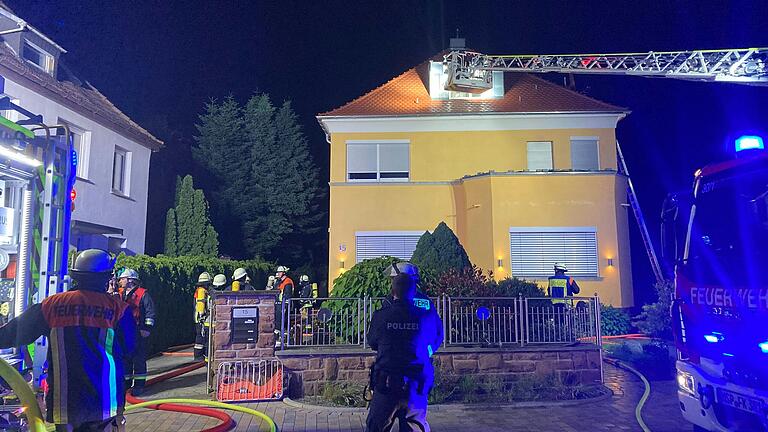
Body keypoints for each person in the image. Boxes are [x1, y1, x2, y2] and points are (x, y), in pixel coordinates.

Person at [0, 249, 137, 431]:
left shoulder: (51, 305)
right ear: (106, 277)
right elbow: (130, 348)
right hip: (104, 402)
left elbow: (13, 333)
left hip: (65, 403)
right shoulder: (119, 309)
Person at [366, 262, 443, 432]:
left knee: (376, 426)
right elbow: (437, 335)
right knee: (415, 426)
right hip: (416, 382)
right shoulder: (424, 312)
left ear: (394, 289)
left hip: (387, 383)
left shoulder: (384, 312)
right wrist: (422, 353)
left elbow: (373, 341)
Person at [118, 268, 156, 396]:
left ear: (130, 280)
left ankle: (139, 385)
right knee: (126, 359)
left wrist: (147, 328)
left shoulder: (142, 294)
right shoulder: (120, 294)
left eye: (122, 279)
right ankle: (126, 385)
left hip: (139, 331)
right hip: (124, 332)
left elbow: (150, 313)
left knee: (138, 359)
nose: (120, 281)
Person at [193, 272, 212, 361]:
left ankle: (198, 356)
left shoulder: (198, 291)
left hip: (197, 318)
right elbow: (204, 307)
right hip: (202, 319)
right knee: (202, 338)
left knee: (199, 338)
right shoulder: (203, 292)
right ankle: (200, 357)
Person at [274, 265, 294, 347]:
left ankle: (285, 340)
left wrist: (285, 306)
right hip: (279, 305)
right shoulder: (280, 282)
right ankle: (280, 339)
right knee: (278, 322)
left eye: (279, 272)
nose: (278, 273)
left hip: (284, 305)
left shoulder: (288, 282)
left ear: (284, 273)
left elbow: (287, 295)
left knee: (283, 323)